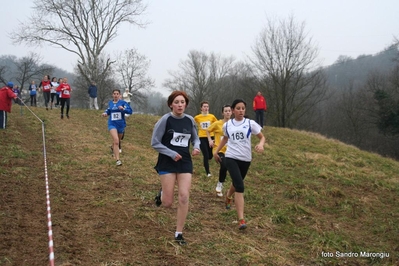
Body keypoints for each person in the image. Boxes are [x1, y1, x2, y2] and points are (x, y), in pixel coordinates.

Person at [151, 90, 200, 246]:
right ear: (171, 104)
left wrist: (196, 147)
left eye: (182, 102)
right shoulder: (165, 120)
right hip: (167, 161)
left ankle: (179, 233)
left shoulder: (190, 120)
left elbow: (195, 138)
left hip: (185, 161)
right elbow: (155, 142)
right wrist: (171, 153)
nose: (180, 105)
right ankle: (162, 193)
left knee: (184, 196)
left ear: (186, 104)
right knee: (167, 203)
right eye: (177, 102)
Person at [213, 99, 265, 230]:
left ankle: (228, 196)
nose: (241, 111)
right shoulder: (228, 125)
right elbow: (225, 138)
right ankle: (241, 219)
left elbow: (262, 137)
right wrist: (217, 151)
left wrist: (260, 144)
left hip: (246, 159)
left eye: (243, 108)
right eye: (238, 108)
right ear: (233, 110)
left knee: (237, 182)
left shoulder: (250, 123)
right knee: (240, 186)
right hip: (231, 157)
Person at [206, 105, 232, 197]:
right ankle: (219, 185)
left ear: (231, 112)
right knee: (224, 165)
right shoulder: (217, 123)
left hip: (231, 151)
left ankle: (233, 188)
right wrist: (210, 140)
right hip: (218, 149)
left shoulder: (234, 124)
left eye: (229, 111)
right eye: (226, 111)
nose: (228, 112)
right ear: (222, 113)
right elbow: (208, 130)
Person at [102, 89, 132, 166]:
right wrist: (105, 113)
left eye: (117, 94)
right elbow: (109, 110)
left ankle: (113, 147)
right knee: (116, 141)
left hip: (121, 124)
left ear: (119, 95)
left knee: (118, 140)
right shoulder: (110, 103)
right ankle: (118, 160)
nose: (115, 95)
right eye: (114, 94)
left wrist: (123, 109)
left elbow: (130, 111)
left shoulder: (123, 103)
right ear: (112, 95)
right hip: (112, 124)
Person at [194, 101, 217, 177]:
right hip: (202, 137)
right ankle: (208, 172)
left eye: (207, 106)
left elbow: (217, 125)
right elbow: (192, 123)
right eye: (204, 106)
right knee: (206, 155)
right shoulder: (197, 117)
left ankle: (209, 158)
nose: (206, 108)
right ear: (201, 108)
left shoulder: (212, 117)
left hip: (211, 137)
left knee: (210, 155)